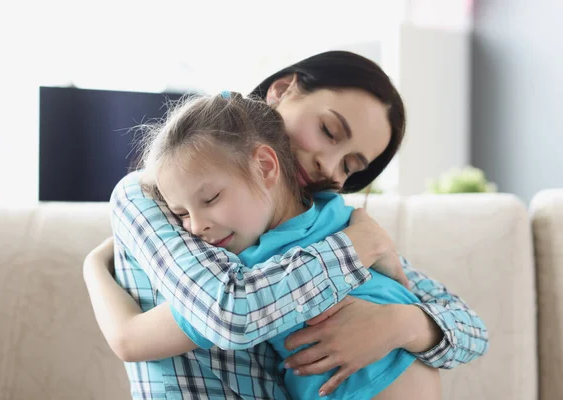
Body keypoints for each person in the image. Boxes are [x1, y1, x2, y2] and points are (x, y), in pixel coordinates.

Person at [84, 51, 488, 399]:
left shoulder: (332, 220)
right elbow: (230, 313)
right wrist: (359, 246)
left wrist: (398, 324)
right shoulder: (158, 194)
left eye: (350, 166)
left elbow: (470, 328)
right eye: (329, 131)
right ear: (282, 90)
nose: (329, 167)